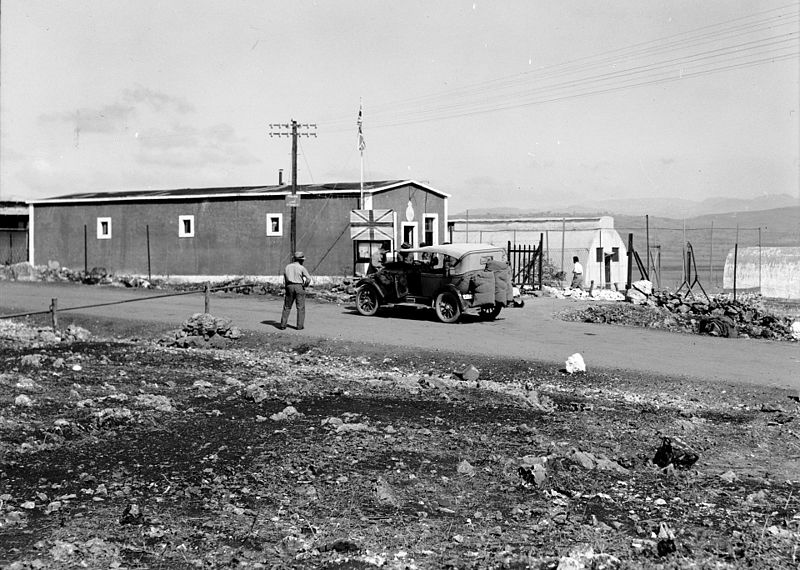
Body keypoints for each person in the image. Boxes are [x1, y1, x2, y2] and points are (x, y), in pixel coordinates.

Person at [279, 251, 312, 330]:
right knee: (300, 307)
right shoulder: (301, 267)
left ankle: (283, 325)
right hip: (299, 286)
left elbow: (285, 279)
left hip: (289, 286)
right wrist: (305, 285)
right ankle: (299, 326)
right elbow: (308, 278)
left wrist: (287, 287)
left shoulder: (287, 267)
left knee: (287, 306)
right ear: (301, 260)